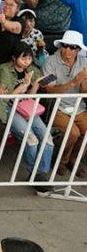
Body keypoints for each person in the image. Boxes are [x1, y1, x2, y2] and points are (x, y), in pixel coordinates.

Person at [40, 30, 87, 176]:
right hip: (56, 106)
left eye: (72, 47)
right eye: (65, 46)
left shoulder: (84, 62)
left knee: (85, 132)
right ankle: (60, 161)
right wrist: (74, 81)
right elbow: (50, 90)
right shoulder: (49, 62)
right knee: (73, 133)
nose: (68, 49)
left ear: (78, 49)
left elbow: (84, 90)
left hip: (78, 105)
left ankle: (74, 160)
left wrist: (83, 82)